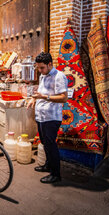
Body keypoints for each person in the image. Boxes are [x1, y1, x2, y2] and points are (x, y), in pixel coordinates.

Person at [27, 52, 68, 184]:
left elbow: (64, 97)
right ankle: (48, 165)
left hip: (52, 117)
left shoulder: (59, 76)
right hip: (41, 116)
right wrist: (34, 99)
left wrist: (44, 97)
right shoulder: (43, 75)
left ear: (50, 64)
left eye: (42, 68)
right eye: (38, 68)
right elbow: (41, 90)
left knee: (51, 145)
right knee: (45, 143)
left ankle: (56, 174)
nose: (40, 71)